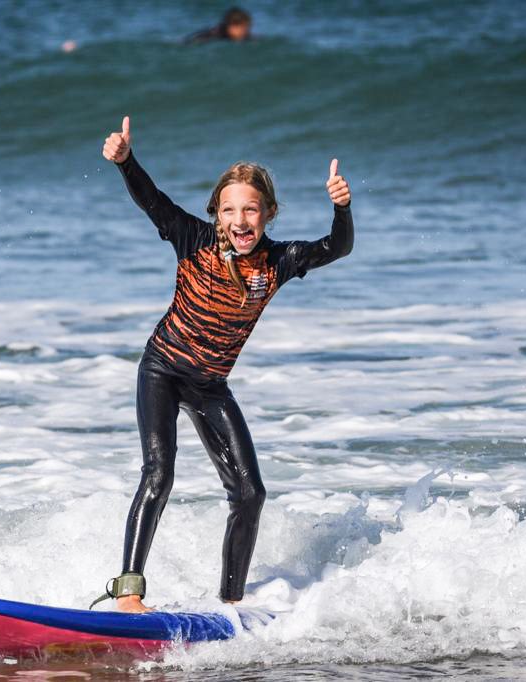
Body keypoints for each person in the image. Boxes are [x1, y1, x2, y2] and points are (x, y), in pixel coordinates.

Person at [94, 116, 354, 613]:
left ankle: (230, 605)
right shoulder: (191, 238)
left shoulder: (280, 260)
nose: (241, 221)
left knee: (250, 493)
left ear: (268, 214)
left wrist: (341, 208)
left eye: (251, 210)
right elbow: (154, 201)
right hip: (163, 370)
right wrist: (126, 162)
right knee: (158, 475)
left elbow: (337, 247)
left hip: (211, 385)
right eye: (230, 210)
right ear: (216, 214)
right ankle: (128, 594)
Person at [186, 6, 252, 43]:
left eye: (247, 28)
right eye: (243, 28)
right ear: (232, 26)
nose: (246, 31)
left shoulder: (245, 36)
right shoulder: (214, 35)